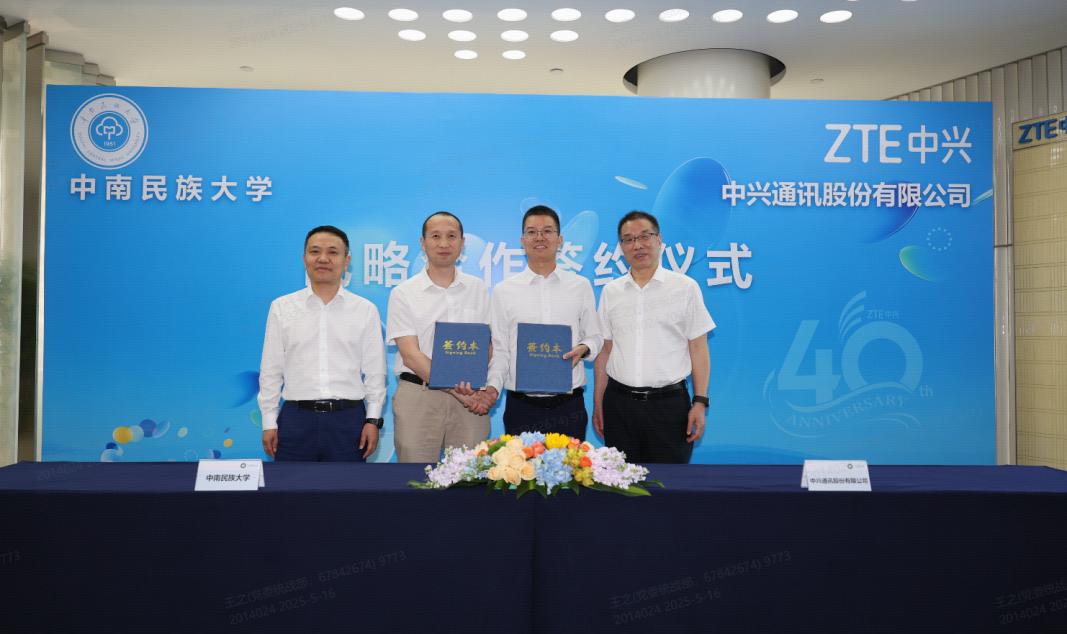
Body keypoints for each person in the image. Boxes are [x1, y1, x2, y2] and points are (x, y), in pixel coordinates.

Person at [592, 210, 713, 463]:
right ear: (621, 247)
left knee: (670, 483)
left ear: (659, 240)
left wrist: (700, 402)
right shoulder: (611, 292)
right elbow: (605, 351)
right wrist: (598, 403)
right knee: (620, 481)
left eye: (644, 236)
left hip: (669, 407)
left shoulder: (685, 288)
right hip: (619, 406)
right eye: (628, 239)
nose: (637, 245)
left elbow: (699, 348)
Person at [258, 225, 386, 461]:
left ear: (346, 261)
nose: (323, 259)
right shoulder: (282, 307)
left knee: (347, 485)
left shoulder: (365, 310)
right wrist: (268, 422)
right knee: (290, 485)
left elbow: (375, 372)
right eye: (315, 251)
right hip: (296, 420)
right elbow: (271, 370)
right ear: (304, 258)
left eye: (333, 252)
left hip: (349, 421)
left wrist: (372, 420)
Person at [478, 205, 602, 439]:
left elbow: (595, 337)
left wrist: (584, 348)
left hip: (569, 405)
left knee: (573, 464)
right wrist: (492, 387)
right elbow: (501, 350)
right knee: (518, 464)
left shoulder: (580, 286)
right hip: (521, 406)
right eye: (532, 232)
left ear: (560, 239)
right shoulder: (504, 291)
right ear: (522, 240)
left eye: (547, 231)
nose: (540, 237)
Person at [386, 211, 491, 463]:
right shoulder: (404, 293)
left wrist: (472, 391)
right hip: (420, 396)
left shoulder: (478, 289)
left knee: (469, 476)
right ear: (423, 243)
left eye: (451, 236)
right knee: (415, 478)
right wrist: (459, 392)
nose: (444, 243)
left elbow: (488, 345)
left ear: (462, 243)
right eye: (435, 236)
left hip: (471, 397)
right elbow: (411, 355)